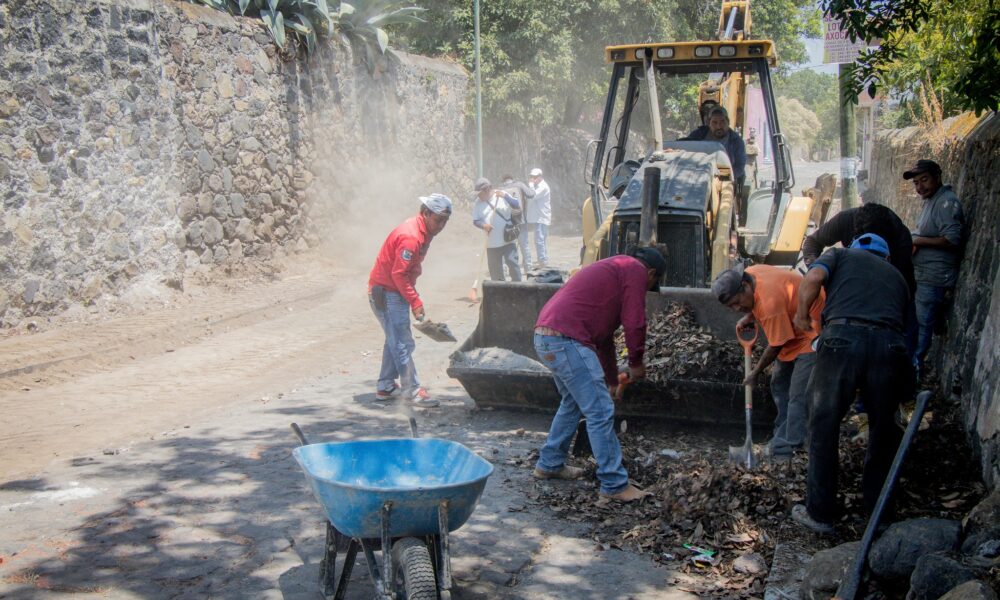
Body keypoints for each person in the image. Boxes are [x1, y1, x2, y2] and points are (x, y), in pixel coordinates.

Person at [790, 233, 913, 534]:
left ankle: (820, 513)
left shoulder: (839, 256)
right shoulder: (898, 277)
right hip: (890, 346)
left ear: (855, 248)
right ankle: (878, 516)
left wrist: (802, 314)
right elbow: (911, 331)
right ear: (885, 258)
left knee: (823, 422)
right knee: (884, 431)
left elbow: (813, 277)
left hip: (842, 338)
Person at [532, 246, 668, 502]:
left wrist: (612, 380)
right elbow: (635, 321)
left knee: (573, 402)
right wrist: (637, 361)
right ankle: (615, 484)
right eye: (650, 285)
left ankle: (549, 464)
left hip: (546, 337)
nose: (645, 290)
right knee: (600, 411)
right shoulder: (635, 269)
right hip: (567, 340)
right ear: (650, 272)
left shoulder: (613, 272)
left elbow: (603, 340)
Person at [712, 264, 825, 458]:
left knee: (798, 394)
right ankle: (782, 434)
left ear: (745, 286)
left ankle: (790, 448)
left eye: (737, 302)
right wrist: (750, 315)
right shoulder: (753, 273)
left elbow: (775, 345)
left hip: (811, 332)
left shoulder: (770, 305)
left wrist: (755, 373)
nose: (737, 308)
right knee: (779, 384)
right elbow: (766, 308)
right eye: (731, 306)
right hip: (790, 324)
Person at [367, 194, 452, 408]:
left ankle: (385, 386)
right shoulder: (411, 237)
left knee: (394, 339)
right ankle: (412, 390)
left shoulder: (424, 231)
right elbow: (398, 274)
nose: (441, 225)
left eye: (445, 221)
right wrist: (415, 300)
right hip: (386, 293)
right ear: (425, 213)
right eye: (438, 219)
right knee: (403, 343)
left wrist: (411, 296)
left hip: (393, 291)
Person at [800, 202, 918, 355]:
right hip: (847, 293)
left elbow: (903, 290)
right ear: (856, 232)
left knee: (905, 338)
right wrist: (817, 268)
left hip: (885, 293)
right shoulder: (845, 221)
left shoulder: (899, 238)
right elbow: (812, 243)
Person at [904, 159, 966, 380]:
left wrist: (918, 240)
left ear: (938, 177)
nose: (920, 187)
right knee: (916, 322)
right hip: (924, 273)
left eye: (924, 180)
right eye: (916, 183)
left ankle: (914, 372)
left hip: (936, 275)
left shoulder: (947, 202)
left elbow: (952, 239)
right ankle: (912, 367)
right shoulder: (931, 200)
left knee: (922, 326)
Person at [472, 177, 522, 282]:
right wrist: (484, 226)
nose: (478, 196)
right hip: (491, 243)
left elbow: (516, 205)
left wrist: (505, 197)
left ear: (487, 190)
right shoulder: (478, 203)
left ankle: (518, 289)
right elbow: (475, 221)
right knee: (495, 271)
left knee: (513, 264)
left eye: (479, 193)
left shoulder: (501, 194)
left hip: (507, 239)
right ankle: (500, 292)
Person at [680, 105, 746, 183]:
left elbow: (739, 167)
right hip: (699, 172)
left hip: (724, 177)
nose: (718, 126)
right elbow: (686, 145)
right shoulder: (699, 134)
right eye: (714, 122)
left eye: (722, 122)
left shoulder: (736, 141)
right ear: (709, 123)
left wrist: (721, 176)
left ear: (728, 122)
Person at [501, 174, 536, 272]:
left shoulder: (501, 189)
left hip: (507, 222)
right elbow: (531, 194)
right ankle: (528, 268)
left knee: (506, 244)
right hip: (520, 220)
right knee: (524, 245)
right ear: (512, 179)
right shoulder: (519, 185)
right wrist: (532, 186)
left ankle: (504, 269)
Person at [527, 168, 551, 268]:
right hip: (540, 217)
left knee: (539, 240)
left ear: (540, 177)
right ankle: (543, 259)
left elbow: (533, 196)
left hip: (541, 217)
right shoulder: (539, 186)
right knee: (541, 239)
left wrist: (531, 185)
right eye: (531, 177)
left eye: (535, 177)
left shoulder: (543, 187)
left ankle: (542, 260)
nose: (533, 179)